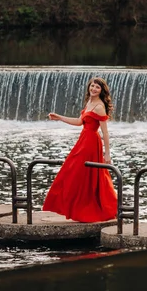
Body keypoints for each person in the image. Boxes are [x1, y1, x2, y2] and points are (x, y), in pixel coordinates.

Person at [42, 77, 117, 222]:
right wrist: (59, 118)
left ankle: (90, 208)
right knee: (72, 171)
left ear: (101, 91)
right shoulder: (89, 102)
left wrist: (107, 153)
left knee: (84, 173)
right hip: (83, 140)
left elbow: (105, 132)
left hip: (91, 144)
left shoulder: (100, 107)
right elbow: (79, 122)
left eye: (97, 87)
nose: (93, 89)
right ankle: (74, 207)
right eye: (92, 86)